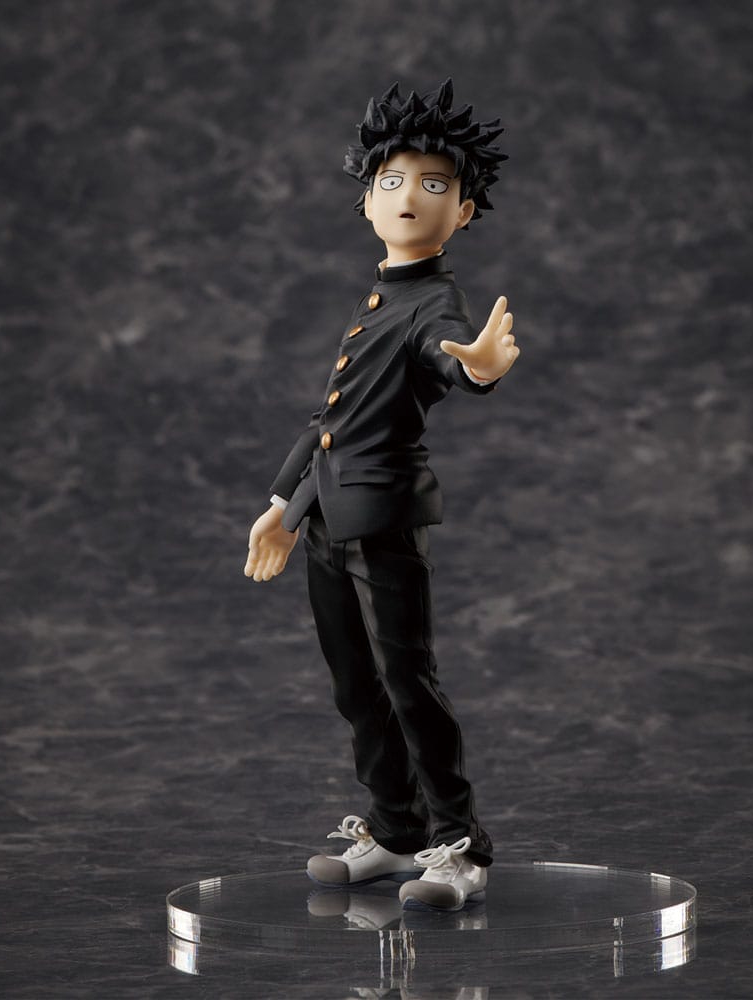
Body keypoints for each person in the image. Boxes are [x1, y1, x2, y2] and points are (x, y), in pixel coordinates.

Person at [244, 79, 518, 911]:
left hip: (385, 516)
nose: (409, 196)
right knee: (354, 684)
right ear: (366, 201)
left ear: (462, 211)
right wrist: (283, 507)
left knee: (408, 680)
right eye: (392, 181)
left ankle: (460, 844)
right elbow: (331, 421)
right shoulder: (377, 300)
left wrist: (476, 369)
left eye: (434, 184)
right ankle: (397, 829)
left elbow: (449, 352)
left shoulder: (435, 303)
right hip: (328, 517)